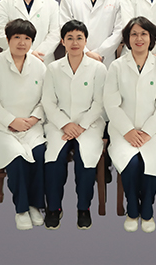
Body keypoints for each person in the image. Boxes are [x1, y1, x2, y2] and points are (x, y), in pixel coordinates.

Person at [104, 17, 156, 233]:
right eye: (134, 34)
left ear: (151, 38)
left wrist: (147, 132)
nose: (139, 38)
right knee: (132, 163)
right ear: (127, 39)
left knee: (152, 161)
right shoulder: (116, 66)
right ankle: (132, 208)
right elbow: (111, 103)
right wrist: (128, 131)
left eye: (144, 34)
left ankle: (148, 207)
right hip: (123, 129)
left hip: (155, 130)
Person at [0, 19, 47, 230]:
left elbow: (46, 99)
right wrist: (11, 121)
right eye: (17, 37)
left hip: (30, 127)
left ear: (32, 42)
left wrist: (34, 118)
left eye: (27, 38)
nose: (22, 42)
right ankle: (21, 209)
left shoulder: (39, 66)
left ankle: (35, 205)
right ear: (8, 40)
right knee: (16, 156)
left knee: (40, 153)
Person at [42, 20, 107, 230]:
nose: (75, 42)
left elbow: (99, 102)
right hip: (59, 125)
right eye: (69, 38)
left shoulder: (98, 68)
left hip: (89, 125)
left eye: (79, 38)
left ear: (86, 41)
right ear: (62, 41)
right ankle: (54, 208)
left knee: (85, 161)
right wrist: (65, 124)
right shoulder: (53, 68)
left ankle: (83, 208)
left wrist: (81, 125)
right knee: (54, 160)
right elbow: (48, 102)